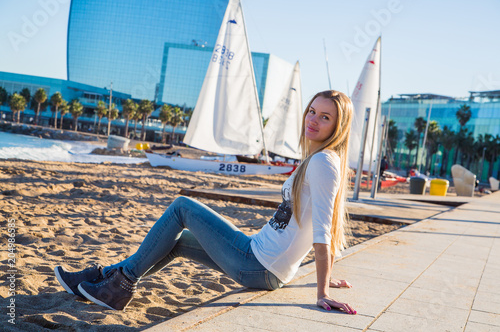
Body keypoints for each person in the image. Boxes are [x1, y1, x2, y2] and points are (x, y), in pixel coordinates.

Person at [54, 90, 357, 315]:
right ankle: (104, 278)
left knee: (182, 207)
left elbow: (323, 231)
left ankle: (119, 283)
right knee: (177, 240)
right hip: (258, 257)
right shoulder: (319, 160)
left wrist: (322, 290)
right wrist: (327, 276)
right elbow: (315, 226)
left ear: (337, 127)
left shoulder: (323, 163)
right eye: (312, 111)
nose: (314, 120)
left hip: (258, 264)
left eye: (325, 117)